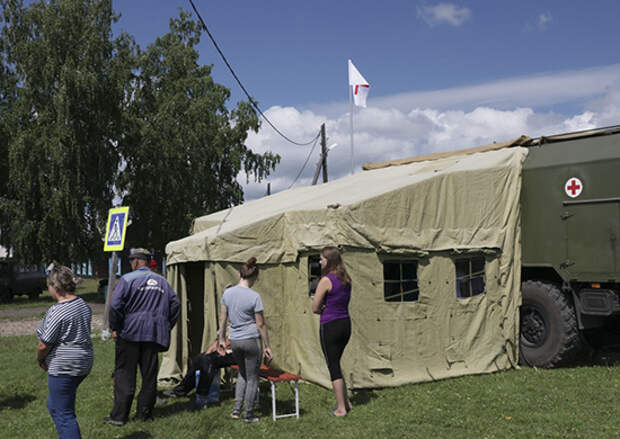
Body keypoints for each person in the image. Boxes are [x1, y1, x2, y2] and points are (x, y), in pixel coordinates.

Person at [104, 248, 181, 426]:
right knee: (149, 376)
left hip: (129, 332)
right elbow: (175, 304)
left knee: (124, 374)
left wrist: (115, 326)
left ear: (137, 262)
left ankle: (119, 416)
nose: (131, 264)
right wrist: (166, 324)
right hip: (153, 334)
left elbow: (115, 305)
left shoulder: (127, 279)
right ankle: (144, 414)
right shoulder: (163, 281)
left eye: (132, 261)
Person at [37, 263, 93, 439]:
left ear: (56, 287)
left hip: (65, 365)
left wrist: (40, 359)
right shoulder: (83, 304)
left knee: (64, 415)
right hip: (83, 361)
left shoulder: (58, 310)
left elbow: (44, 344)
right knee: (54, 404)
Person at [218, 257, 273, 423]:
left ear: (239, 274)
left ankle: (236, 410)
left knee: (242, 374)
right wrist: (268, 346)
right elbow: (261, 324)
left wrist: (221, 338)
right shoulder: (254, 296)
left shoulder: (227, 293)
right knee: (252, 377)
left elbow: (222, 319)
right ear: (255, 277)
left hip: (235, 340)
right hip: (251, 340)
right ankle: (248, 414)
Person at [311, 246, 352, 417]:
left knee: (333, 365)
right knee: (336, 361)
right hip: (345, 324)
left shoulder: (326, 280)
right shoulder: (346, 278)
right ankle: (346, 401)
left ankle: (341, 408)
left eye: (322, 259)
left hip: (330, 325)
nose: (320, 262)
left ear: (329, 261)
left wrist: (322, 309)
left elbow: (314, 307)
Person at [162, 338, 235, 407]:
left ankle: (202, 396)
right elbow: (221, 338)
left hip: (241, 354)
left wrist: (227, 344)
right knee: (200, 358)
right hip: (229, 350)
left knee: (208, 361)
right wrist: (208, 352)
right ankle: (181, 390)